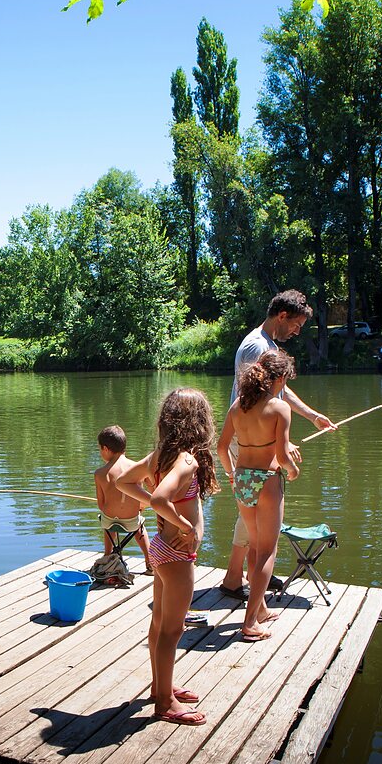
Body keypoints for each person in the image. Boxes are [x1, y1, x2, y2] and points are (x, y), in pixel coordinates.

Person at [219, 290, 336, 601]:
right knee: (257, 518)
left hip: (255, 439)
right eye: (296, 324)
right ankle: (243, 577)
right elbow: (254, 398)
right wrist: (278, 440)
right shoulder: (257, 346)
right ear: (282, 315)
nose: (297, 331)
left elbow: (277, 389)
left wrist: (311, 415)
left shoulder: (268, 346)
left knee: (251, 512)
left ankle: (241, 577)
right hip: (251, 440)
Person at [115, 388, 220, 726]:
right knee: (173, 630)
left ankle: (160, 686)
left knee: (160, 623)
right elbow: (161, 499)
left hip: (162, 548)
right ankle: (165, 702)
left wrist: (157, 507)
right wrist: (184, 523)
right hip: (175, 554)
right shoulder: (186, 460)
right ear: (200, 423)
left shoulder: (161, 455)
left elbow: (124, 482)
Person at [217, 350, 300, 641]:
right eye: (285, 380)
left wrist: (231, 474)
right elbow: (282, 455)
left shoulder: (238, 405)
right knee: (267, 551)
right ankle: (250, 622)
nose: (284, 385)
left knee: (254, 546)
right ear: (278, 378)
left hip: (242, 480)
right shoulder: (280, 408)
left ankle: (261, 608)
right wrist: (292, 471)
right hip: (267, 481)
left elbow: (221, 447)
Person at [93, 425, 150, 568]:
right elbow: (144, 499)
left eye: (100, 449)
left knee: (107, 520)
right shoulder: (137, 468)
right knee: (139, 526)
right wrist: (139, 508)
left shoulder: (100, 473)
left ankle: (107, 555)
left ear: (106, 449)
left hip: (109, 521)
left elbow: (101, 505)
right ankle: (149, 561)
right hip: (132, 521)